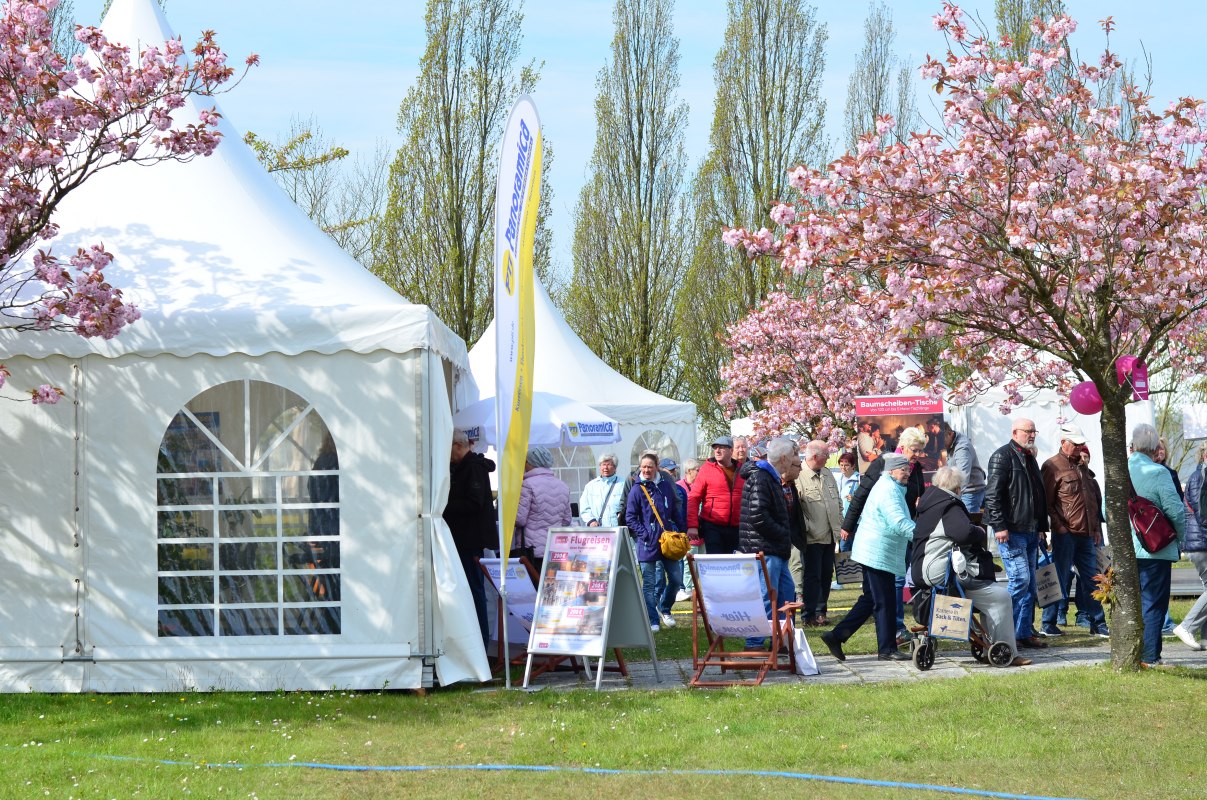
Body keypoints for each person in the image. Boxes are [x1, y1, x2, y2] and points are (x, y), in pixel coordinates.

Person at [910, 466, 1029, 666]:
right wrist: (980, 532)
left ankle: (986, 646)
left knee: (984, 587)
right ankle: (1005, 649)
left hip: (922, 569)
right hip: (940, 572)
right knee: (1000, 597)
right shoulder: (950, 506)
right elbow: (963, 533)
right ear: (958, 488)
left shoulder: (929, 503)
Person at [821, 452, 916, 661]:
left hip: (875, 550)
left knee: (872, 598)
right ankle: (887, 649)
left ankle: (836, 636)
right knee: (885, 601)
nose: (907, 473)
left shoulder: (889, 486)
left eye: (908, 469)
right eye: (903, 469)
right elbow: (898, 522)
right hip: (877, 552)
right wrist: (921, 535)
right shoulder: (888, 490)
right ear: (891, 471)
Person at [842, 426, 928, 643]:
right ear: (903, 446)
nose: (917, 456)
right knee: (888, 589)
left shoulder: (912, 468)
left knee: (876, 595)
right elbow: (861, 494)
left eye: (919, 451)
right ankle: (895, 632)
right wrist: (848, 525)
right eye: (914, 450)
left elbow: (919, 494)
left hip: (903, 533)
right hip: (885, 534)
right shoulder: (885, 467)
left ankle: (838, 636)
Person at [983, 418, 1049, 650]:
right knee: (1020, 580)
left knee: (1030, 586)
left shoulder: (1030, 457)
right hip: (1011, 531)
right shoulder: (1003, 456)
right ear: (1015, 432)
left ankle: (1022, 633)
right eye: (1028, 431)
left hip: (1031, 531)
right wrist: (999, 525)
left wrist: (1042, 527)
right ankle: (1001, 632)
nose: (1032, 435)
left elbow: (1037, 496)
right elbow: (992, 495)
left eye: (1034, 431)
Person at [1039, 424, 1109, 638]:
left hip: (1086, 534)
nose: (1080, 447)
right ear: (1063, 443)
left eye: (1081, 443)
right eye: (1076, 444)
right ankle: (1048, 623)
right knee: (1058, 577)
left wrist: (1095, 527)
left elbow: (1092, 501)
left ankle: (1098, 623)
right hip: (1066, 533)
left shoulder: (1082, 466)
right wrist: (1058, 526)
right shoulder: (1051, 466)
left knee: (1092, 578)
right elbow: (1046, 502)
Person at [1128, 423, 1187, 667]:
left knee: (1132, 602)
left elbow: (1104, 510)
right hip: (1155, 548)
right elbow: (1176, 510)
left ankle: (1130, 652)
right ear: (1155, 448)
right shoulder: (1158, 472)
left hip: (1127, 548)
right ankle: (1150, 657)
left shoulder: (1118, 470)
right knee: (1154, 603)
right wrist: (1178, 537)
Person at [737, 438, 801, 647]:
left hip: (775, 550)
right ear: (783, 458)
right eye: (792, 456)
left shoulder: (769, 477)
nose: (794, 460)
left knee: (786, 596)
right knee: (766, 597)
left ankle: (782, 641)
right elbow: (758, 516)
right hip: (765, 549)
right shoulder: (761, 478)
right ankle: (754, 643)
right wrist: (783, 533)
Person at [445, 429, 495, 648]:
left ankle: (481, 643)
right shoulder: (462, 467)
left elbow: (474, 503)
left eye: (448, 449)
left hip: (470, 539)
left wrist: (444, 507)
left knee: (475, 590)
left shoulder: (473, 468)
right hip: (463, 537)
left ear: (458, 445)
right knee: (469, 590)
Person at [626, 452, 684, 632]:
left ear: (656, 467)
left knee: (676, 579)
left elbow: (674, 510)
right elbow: (630, 517)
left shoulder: (666, 485)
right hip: (647, 544)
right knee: (649, 584)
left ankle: (664, 608)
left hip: (667, 541)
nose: (646, 470)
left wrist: (681, 531)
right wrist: (646, 535)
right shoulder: (636, 489)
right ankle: (653, 620)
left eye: (650, 466)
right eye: (643, 467)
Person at [792, 440, 843, 626]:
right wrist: (807, 528)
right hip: (812, 537)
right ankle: (809, 614)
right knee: (811, 576)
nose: (829, 459)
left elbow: (837, 500)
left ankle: (822, 612)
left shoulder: (827, 474)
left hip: (829, 535)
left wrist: (839, 523)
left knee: (826, 574)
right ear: (815, 457)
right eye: (826, 456)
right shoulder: (798, 475)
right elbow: (796, 509)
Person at [514, 446, 572, 572]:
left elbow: (520, 519)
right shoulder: (562, 485)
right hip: (555, 547)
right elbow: (567, 520)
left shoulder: (527, 484)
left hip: (531, 549)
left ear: (530, 462)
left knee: (533, 586)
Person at [687, 435, 745, 555]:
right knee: (716, 563)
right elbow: (694, 498)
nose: (717, 451)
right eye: (715, 448)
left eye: (721, 448)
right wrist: (692, 525)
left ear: (731, 450)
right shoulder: (706, 470)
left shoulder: (742, 470)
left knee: (734, 564)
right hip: (712, 526)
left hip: (736, 527)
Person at [1176, 443, 1207, 650]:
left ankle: (1205, 638)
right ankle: (1186, 626)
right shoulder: (1201, 476)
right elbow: (1202, 513)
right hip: (1201, 542)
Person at [943, 422, 987, 513]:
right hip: (961, 491)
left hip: (969, 493)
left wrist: (952, 497)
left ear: (950, 434)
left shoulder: (962, 448)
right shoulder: (952, 439)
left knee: (966, 524)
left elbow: (962, 477)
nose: (941, 444)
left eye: (943, 440)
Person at [678, 457, 702, 599]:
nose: (699, 472)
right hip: (687, 531)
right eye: (697, 470)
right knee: (689, 562)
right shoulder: (679, 486)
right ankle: (688, 588)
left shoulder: (700, 485)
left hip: (702, 530)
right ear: (689, 471)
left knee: (701, 561)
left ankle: (698, 589)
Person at [579, 453, 624, 527]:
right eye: (603, 464)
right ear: (600, 466)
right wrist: (591, 521)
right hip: (599, 531)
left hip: (617, 529)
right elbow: (584, 506)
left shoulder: (623, 484)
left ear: (615, 468)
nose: (605, 467)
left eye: (609, 464)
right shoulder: (591, 486)